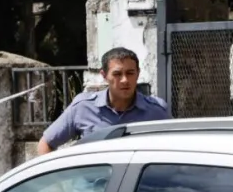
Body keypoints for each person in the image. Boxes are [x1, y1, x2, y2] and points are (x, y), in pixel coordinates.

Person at [37, 47, 170, 155]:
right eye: (117, 74)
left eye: (130, 73)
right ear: (104, 75)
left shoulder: (156, 111)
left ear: (138, 74)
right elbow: (46, 144)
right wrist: (58, 181)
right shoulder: (83, 107)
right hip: (94, 181)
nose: (125, 80)